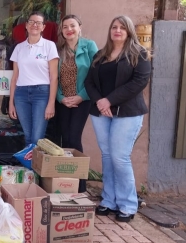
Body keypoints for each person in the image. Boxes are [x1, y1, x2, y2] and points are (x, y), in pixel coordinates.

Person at [85, 15, 151, 222]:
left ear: (129, 31)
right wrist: (100, 102)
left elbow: (138, 83)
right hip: (101, 112)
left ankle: (128, 204)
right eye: (114, 27)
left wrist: (109, 101)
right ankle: (109, 200)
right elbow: (89, 83)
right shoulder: (100, 55)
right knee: (107, 155)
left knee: (119, 158)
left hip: (128, 112)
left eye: (123, 27)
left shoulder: (139, 54)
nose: (118, 31)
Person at [56, 15, 98, 193]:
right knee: (64, 141)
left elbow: (96, 75)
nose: (68, 29)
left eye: (72, 25)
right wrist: (60, 98)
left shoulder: (89, 46)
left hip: (82, 100)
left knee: (74, 139)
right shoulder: (58, 50)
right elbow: (53, 78)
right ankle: (66, 184)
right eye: (65, 27)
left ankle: (80, 186)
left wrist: (81, 96)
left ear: (79, 27)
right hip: (63, 101)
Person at [8, 11, 59, 146]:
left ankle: (36, 167)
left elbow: (54, 77)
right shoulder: (19, 48)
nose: (34, 25)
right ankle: (30, 166)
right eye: (31, 22)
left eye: (38, 23)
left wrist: (51, 103)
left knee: (37, 137)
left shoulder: (49, 46)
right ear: (26, 25)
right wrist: (11, 102)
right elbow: (14, 78)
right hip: (21, 94)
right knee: (28, 136)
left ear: (43, 27)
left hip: (42, 93)